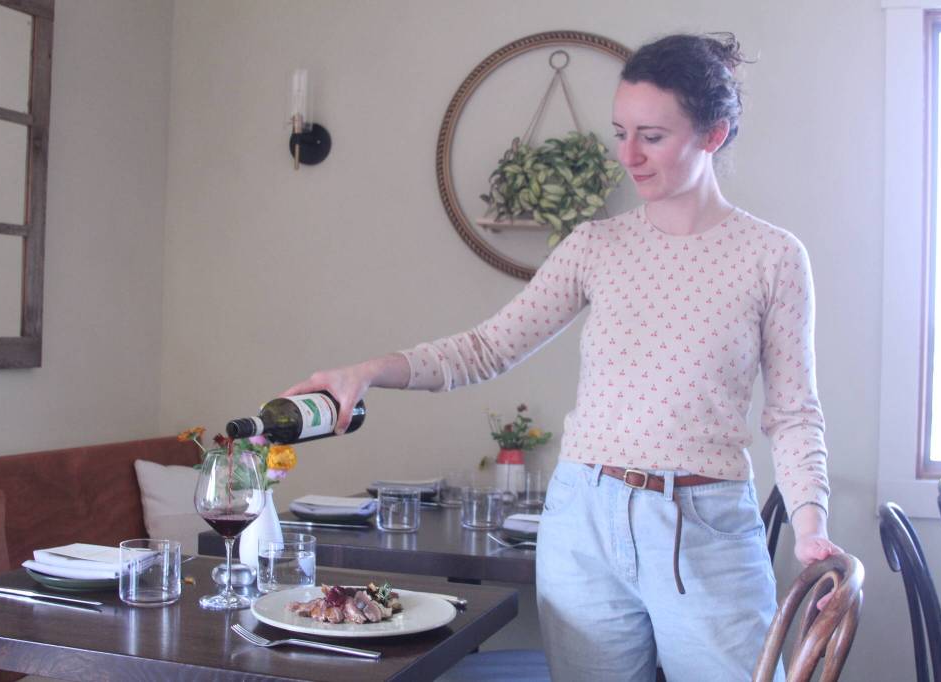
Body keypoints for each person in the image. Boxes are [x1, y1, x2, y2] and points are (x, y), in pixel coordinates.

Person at [284, 32, 840, 682]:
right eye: (620, 131)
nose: (627, 155)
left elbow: (795, 413)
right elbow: (488, 348)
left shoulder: (772, 256)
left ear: (712, 135)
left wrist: (810, 525)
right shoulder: (595, 246)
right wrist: (369, 372)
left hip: (705, 524)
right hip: (584, 523)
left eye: (652, 137)